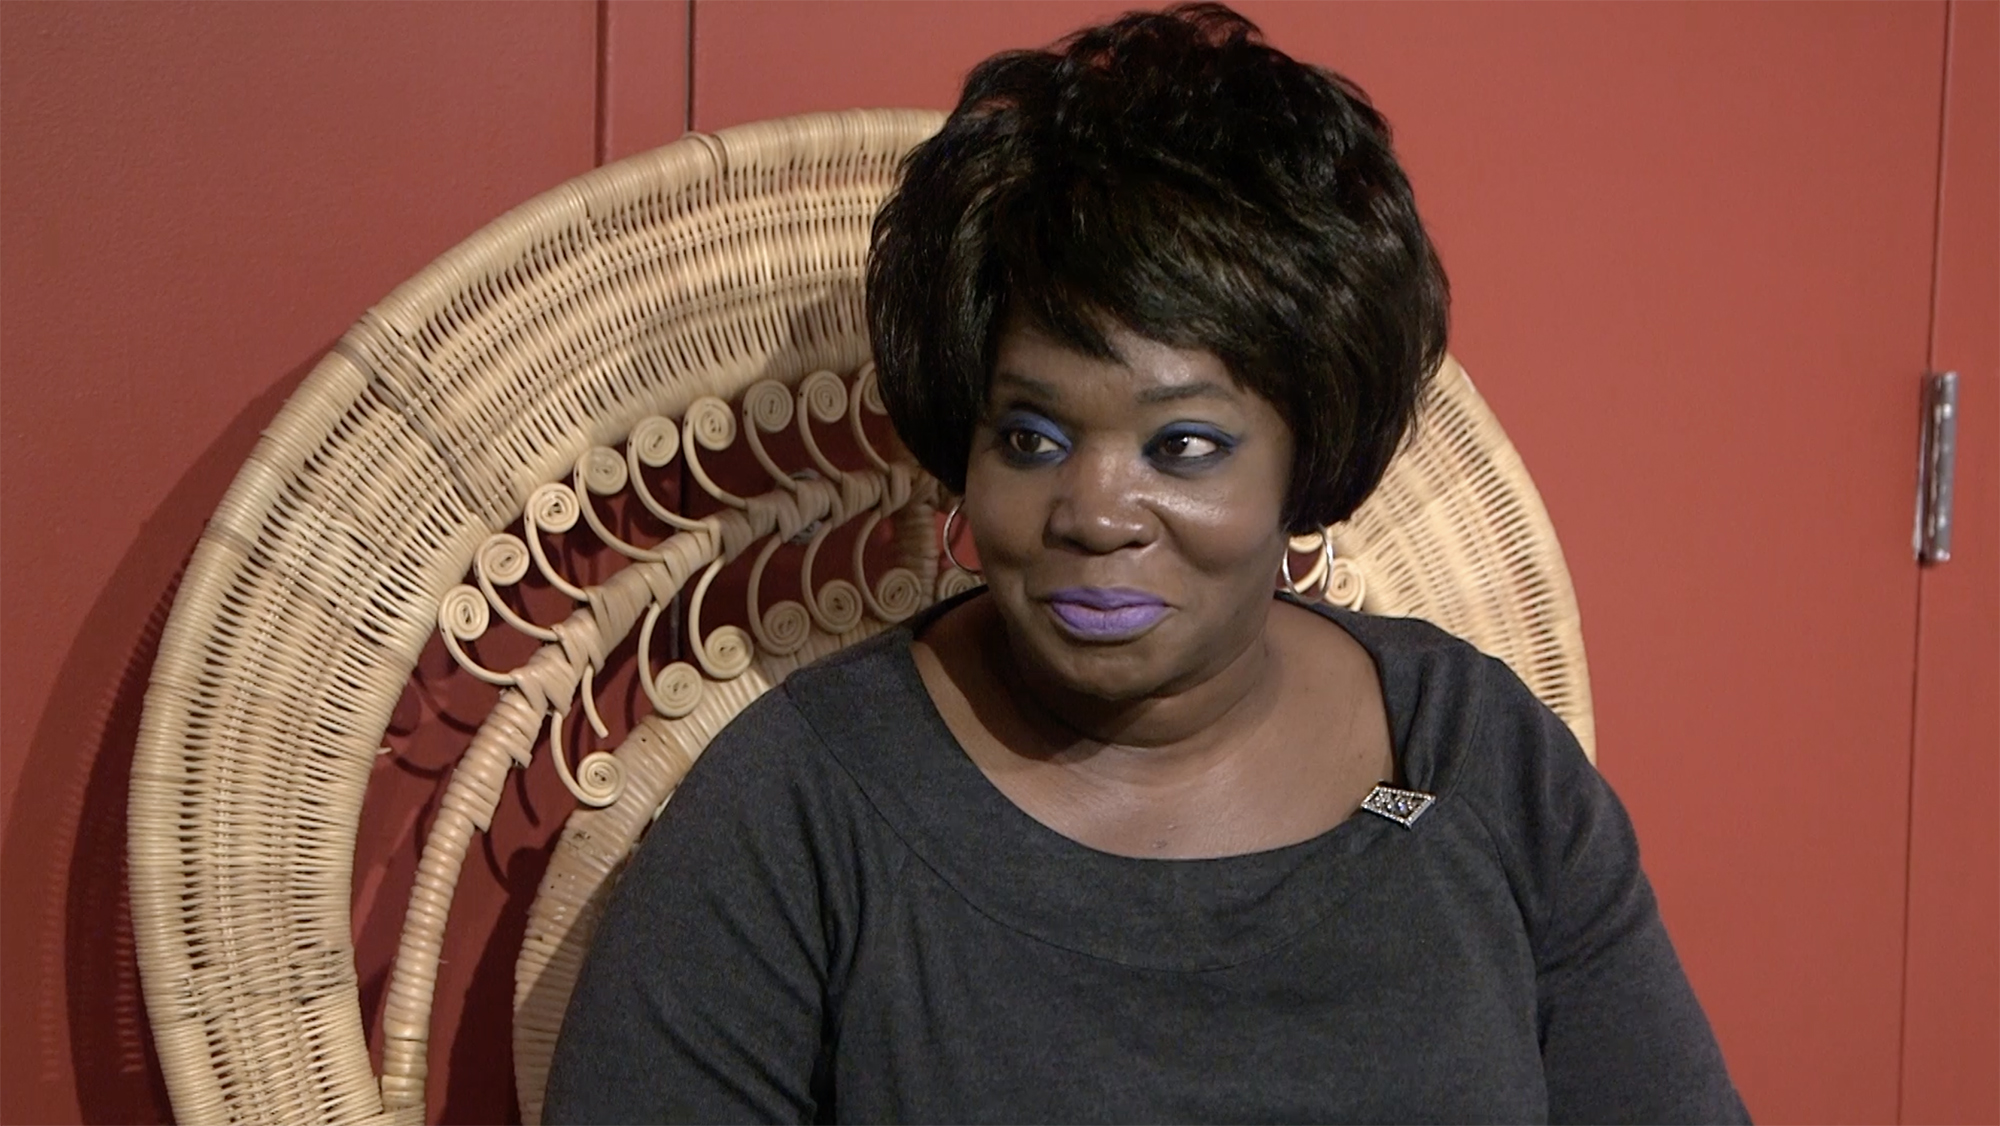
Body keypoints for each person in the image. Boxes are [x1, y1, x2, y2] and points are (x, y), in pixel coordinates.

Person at [544, 5, 1748, 1122]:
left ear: (1303, 458)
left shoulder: (1472, 753)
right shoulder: (798, 815)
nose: (1093, 512)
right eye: (1030, 437)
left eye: (1183, 445)